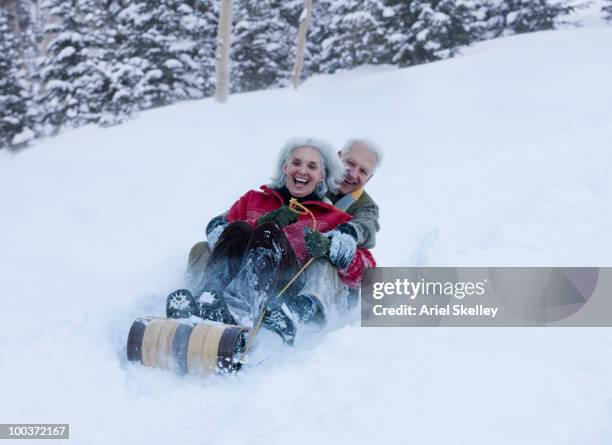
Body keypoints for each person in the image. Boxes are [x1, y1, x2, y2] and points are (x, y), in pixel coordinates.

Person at [168, 138, 376, 345]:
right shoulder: (253, 199)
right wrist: (257, 222)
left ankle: (253, 315)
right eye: (296, 163)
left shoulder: (334, 218)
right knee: (225, 235)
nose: (302, 171)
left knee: (270, 233)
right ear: (285, 167)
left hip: (282, 292)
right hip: (230, 281)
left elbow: (367, 271)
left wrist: (333, 248)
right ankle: (202, 299)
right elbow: (218, 229)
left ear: (323, 175)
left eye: (312, 166)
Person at [328, 139, 382, 250]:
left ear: (368, 179)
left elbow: (368, 227)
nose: (353, 174)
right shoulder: (311, 179)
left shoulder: (366, 206)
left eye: (363, 171)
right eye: (350, 163)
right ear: (338, 157)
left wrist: (351, 231)